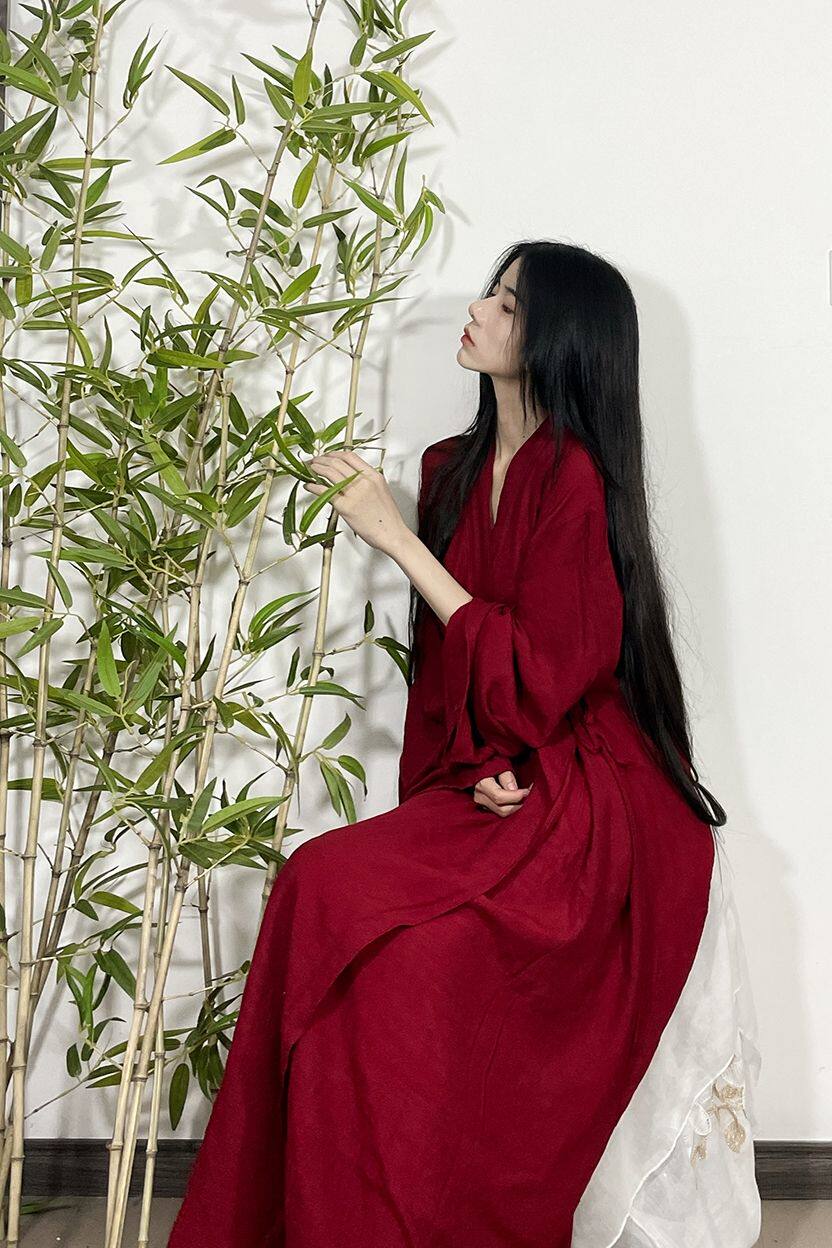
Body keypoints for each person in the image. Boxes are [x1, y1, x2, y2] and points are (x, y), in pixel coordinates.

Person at [166, 241, 762, 1248]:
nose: (480, 309)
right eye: (491, 290)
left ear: (560, 340)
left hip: (592, 794)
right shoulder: (452, 468)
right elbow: (449, 663)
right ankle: (310, 1218)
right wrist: (478, 759)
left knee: (410, 961)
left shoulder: (576, 481)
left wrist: (396, 541)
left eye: (509, 304)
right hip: (497, 766)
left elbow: (545, 672)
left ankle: (428, 1213)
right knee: (318, 882)